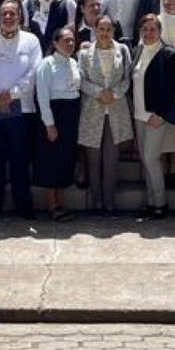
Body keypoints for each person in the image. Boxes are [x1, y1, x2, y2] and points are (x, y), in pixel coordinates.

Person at [0, 0, 42, 219]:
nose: (9, 17)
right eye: (5, 14)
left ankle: (24, 206)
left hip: (21, 109)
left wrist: (10, 94)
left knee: (20, 158)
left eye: (13, 14)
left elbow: (34, 70)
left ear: (20, 17)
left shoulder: (31, 41)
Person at [127, 14, 175, 217]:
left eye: (153, 29)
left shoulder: (168, 54)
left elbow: (172, 89)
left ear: (160, 32)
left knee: (151, 158)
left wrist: (159, 114)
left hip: (156, 116)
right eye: (145, 29)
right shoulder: (137, 50)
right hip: (139, 115)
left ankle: (160, 203)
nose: (149, 33)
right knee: (145, 159)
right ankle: (152, 202)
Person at [77, 16, 133, 214]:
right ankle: (96, 201)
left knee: (111, 159)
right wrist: (99, 92)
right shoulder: (84, 54)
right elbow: (81, 81)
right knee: (93, 159)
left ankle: (109, 202)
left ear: (114, 31)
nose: (105, 32)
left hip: (116, 111)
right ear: (95, 30)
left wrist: (114, 94)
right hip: (93, 110)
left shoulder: (123, 51)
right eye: (101, 28)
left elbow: (127, 79)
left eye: (109, 29)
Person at [32, 25, 83, 221]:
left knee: (64, 160)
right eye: (65, 40)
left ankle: (62, 202)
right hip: (54, 115)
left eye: (72, 40)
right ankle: (52, 205)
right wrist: (49, 124)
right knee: (51, 161)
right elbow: (42, 96)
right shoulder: (47, 64)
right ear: (55, 44)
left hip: (70, 116)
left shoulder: (73, 63)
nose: (70, 44)